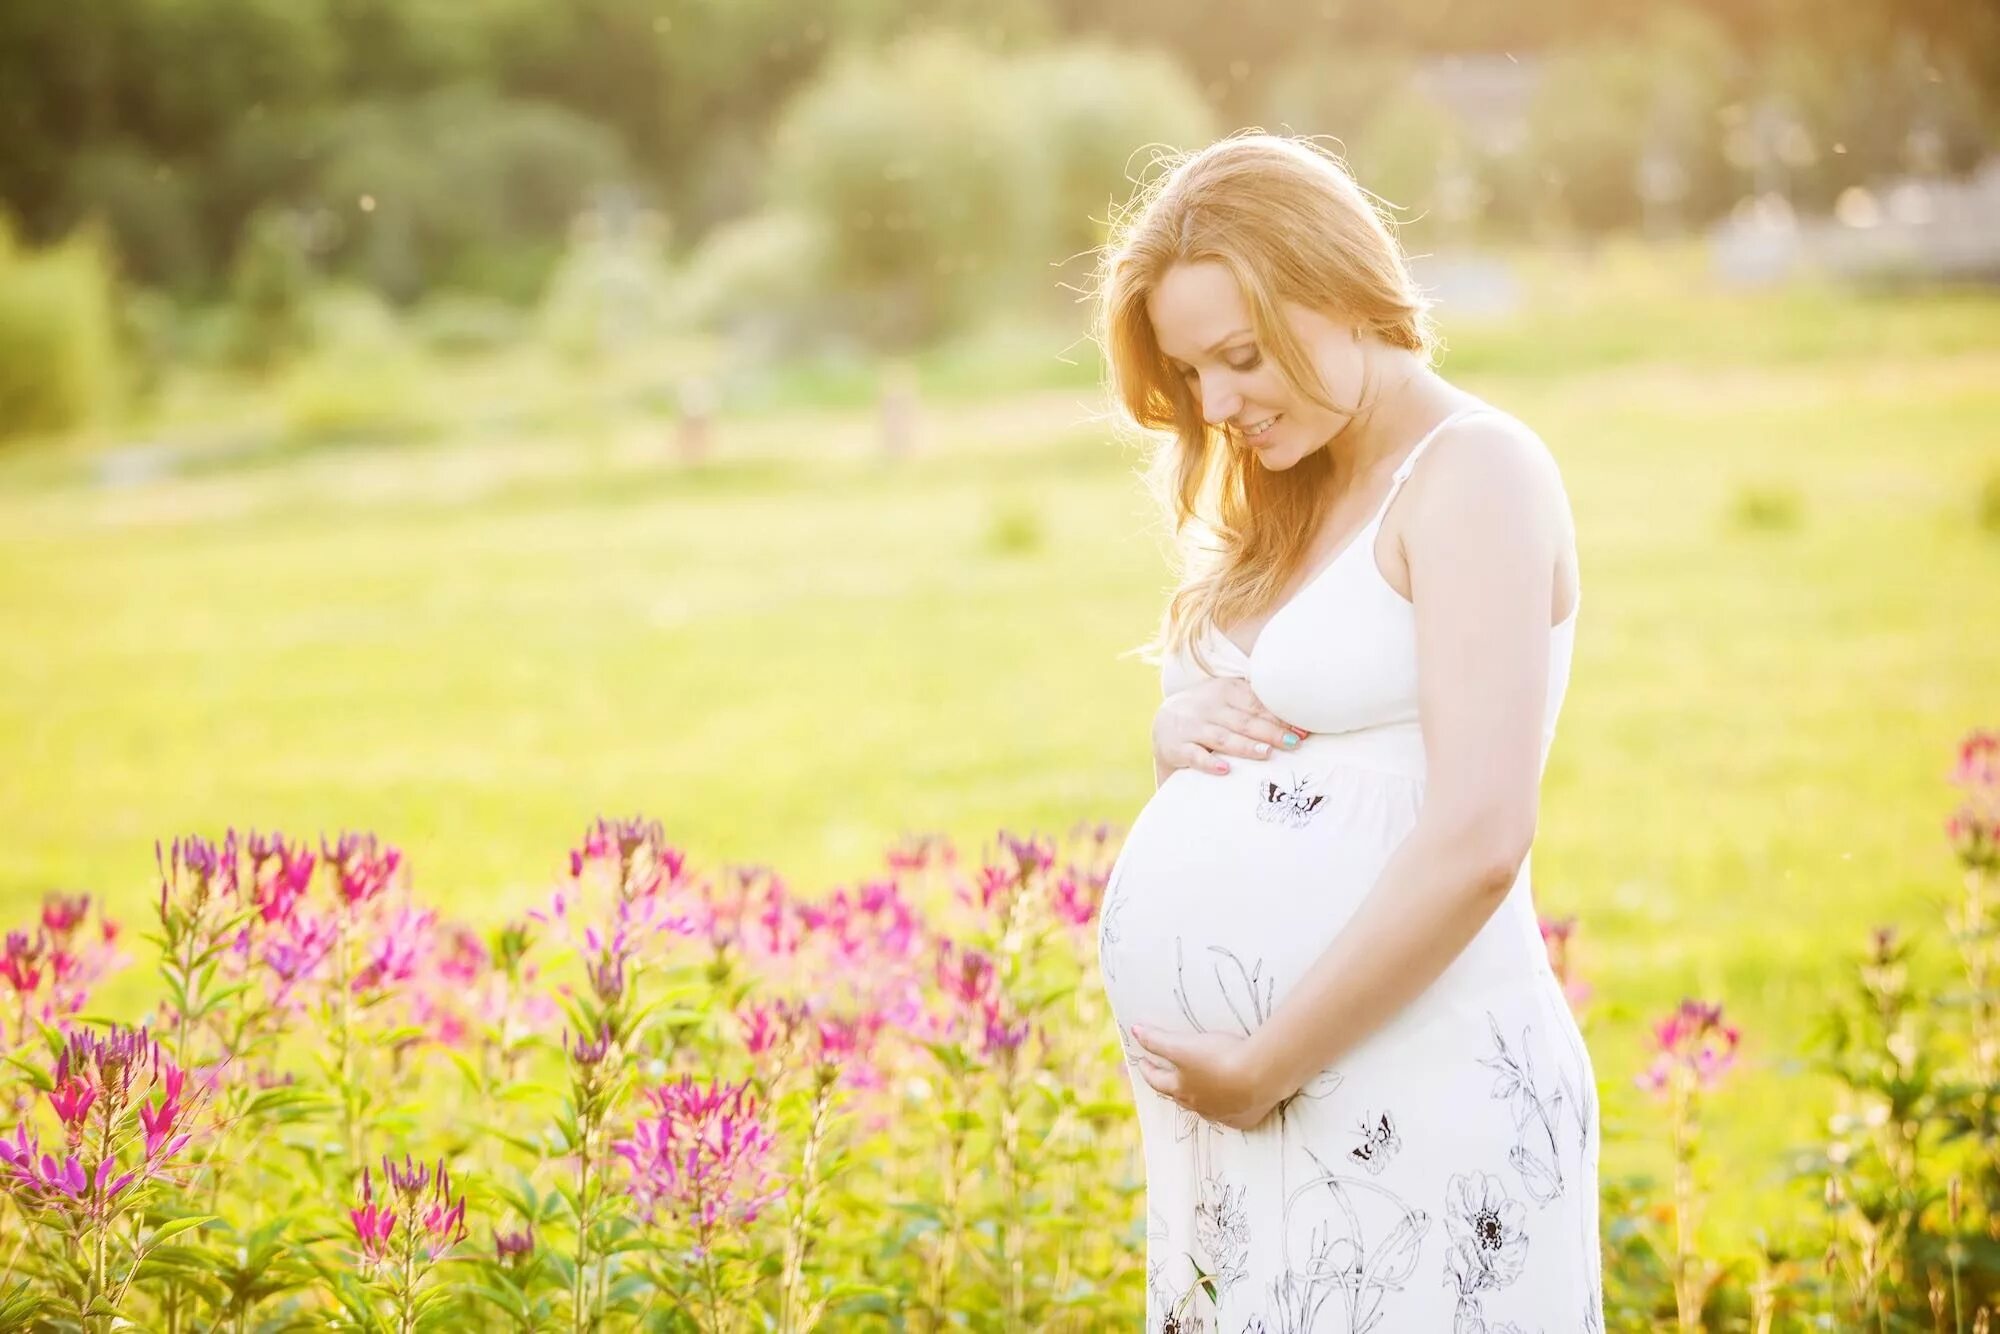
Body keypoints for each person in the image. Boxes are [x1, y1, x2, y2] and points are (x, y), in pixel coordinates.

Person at [1092, 132, 1603, 1330]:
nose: (1216, 406)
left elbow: (1480, 830)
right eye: (1190, 375)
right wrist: (1177, 744)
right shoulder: (1294, 491)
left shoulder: (1473, 470)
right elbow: (1298, 756)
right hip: (1245, 1131)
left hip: (1402, 1090)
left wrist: (1265, 1061)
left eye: (1238, 356)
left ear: (1336, 289)